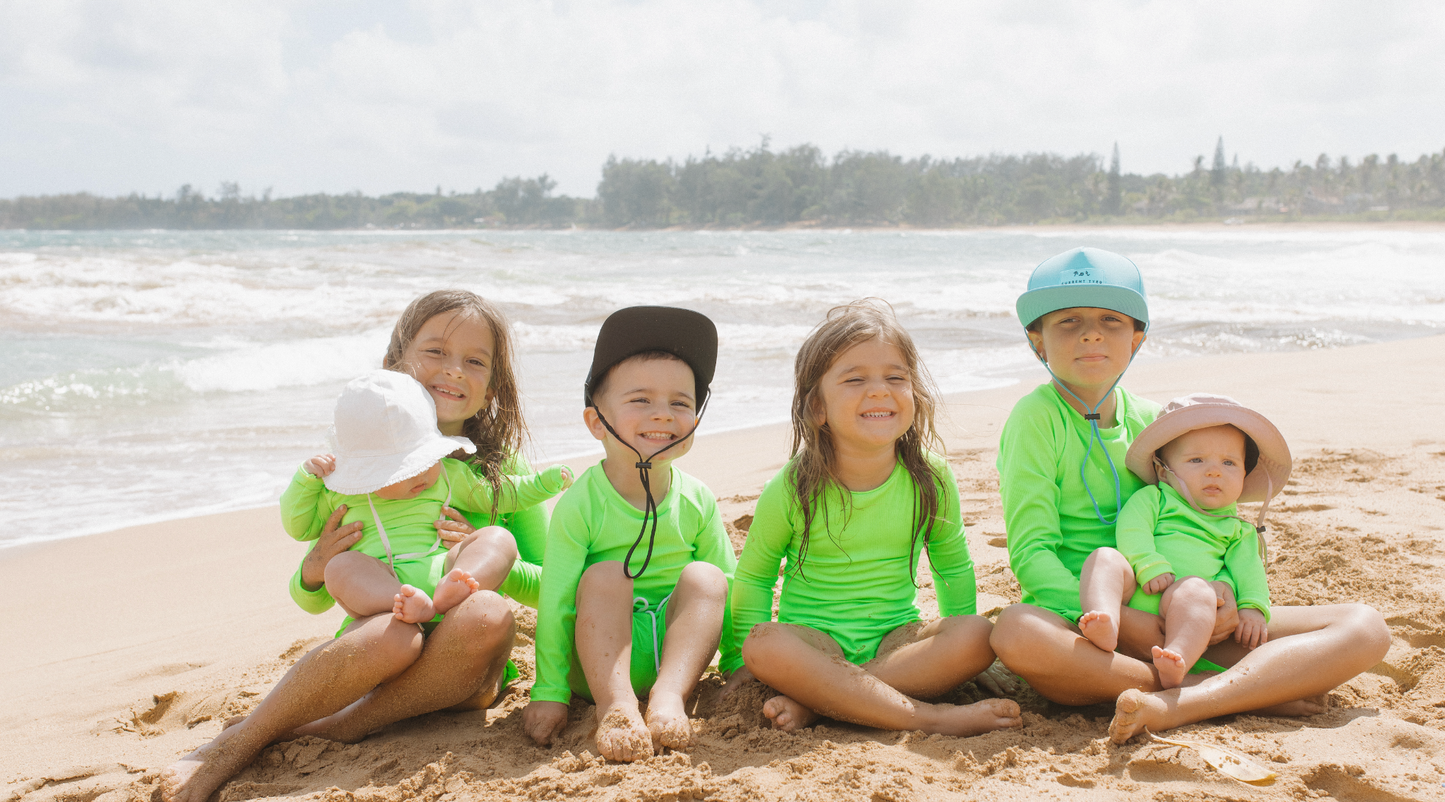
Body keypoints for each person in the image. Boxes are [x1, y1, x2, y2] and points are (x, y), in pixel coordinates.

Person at [986, 247, 1390, 743]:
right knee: (1014, 631)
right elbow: (1032, 553)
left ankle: (1186, 697)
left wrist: (1226, 600)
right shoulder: (1035, 419)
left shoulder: (1161, 423)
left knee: (1366, 627)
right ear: (1037, 342)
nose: (1091, 333)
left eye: (1111, 320)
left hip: (1185, 617)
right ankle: (1222, 692)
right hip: (1093, 628)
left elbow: (1199, 522)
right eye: (1068, 321)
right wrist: (1127, 622)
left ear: (1137, 339)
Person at [163, 290, 545, 802]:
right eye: (435, 351)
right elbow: (314, 598)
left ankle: (344, 724)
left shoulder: (504, 473)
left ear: (493, 386)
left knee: (489, 613)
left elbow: (550, 586)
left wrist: (491, 563)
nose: (454, 370)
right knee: (391, 633)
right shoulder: (356, 465)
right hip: (380, 650)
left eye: (474, 361)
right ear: (393, 364)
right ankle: (240, 741)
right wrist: (315, 567)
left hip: (465, 673)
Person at [721, 299, 1021, 736]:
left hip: (895, 641)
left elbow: (952, 565)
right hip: (812, 644)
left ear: (914, 394)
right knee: (763, 645)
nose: (880, 390)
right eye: (855, 379)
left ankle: (822, 703)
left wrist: (967, 663)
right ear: (817, 408)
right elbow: (755, 578)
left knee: (976, 636)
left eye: (895, 377)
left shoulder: (930, 478)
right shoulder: (793, 486)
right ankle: (928, 717)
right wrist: (736, 662)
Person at [521, 306, 737, 763]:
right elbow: (556, 599)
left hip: (676, 659)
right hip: (599, 662)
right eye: (641, 400)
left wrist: (738, 666)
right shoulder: (581, 503)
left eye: (681, 403)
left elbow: (730, 590)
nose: (663, 414)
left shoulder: (697, 498)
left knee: (707, 578)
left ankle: (668, 698)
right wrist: (550, 690)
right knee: (606, 576)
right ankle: (616, 707)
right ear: (597, 421)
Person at [281, 369, 570, 626]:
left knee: (497, 538)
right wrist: (305, 480)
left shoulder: (447, 474)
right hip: (386, 614)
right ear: (366, 471)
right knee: (339, 568)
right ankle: (404, 601)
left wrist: (546, 482)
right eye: (404, 469)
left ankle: (451, 589)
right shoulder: (342, 492)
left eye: (426, 460)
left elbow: (502, 495)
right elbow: (298, 526)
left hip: (451, 585)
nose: (421, 474)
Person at [1077, 393, 1288, 688]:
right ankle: (1106, 619)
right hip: (1139, 585)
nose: (1214, 470)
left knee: (1197, 590)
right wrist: (1148, 564)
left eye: (1229, 462)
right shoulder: (1156, 498)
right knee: (1104, 558)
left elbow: (1248, 571)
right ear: (1164, 471)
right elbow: (1132, 531)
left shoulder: (1238, 530)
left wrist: (1253, 607)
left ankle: (1176, 657)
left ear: (1244, 475)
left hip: (1184, 607)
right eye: (1197, 460)